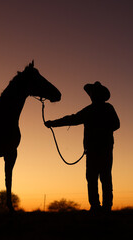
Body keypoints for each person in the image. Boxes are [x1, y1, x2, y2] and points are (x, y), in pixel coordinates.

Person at [44, 82, 120, 213]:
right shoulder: (99, 109)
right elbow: (72, 119)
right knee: (98, 177)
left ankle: (101, 207)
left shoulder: (96, 110)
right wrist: (53, 123)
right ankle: (99, 206)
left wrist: (53, 123)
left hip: (99, 149)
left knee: (99, 177)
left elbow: (73, 119)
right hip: (99, 149)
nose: (92, 96)